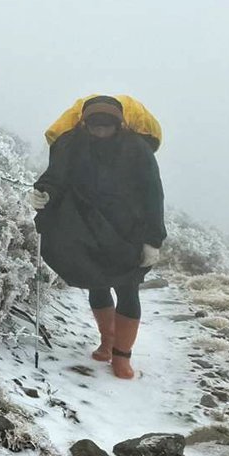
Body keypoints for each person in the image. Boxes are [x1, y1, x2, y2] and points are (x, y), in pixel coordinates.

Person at [28, 95, 166, 379]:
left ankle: (122, 357)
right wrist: (44, 193)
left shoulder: (138, 150)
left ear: (120, 124)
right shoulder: (71, 144)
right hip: (86, 226)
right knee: (97, 283)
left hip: (129, 230)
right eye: (95, 126)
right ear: (84, 123)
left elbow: (153, 195)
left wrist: (153, 239)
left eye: (108, 126)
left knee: (128, 287)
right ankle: (107, 342)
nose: (101, 132)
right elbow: (56, 177)